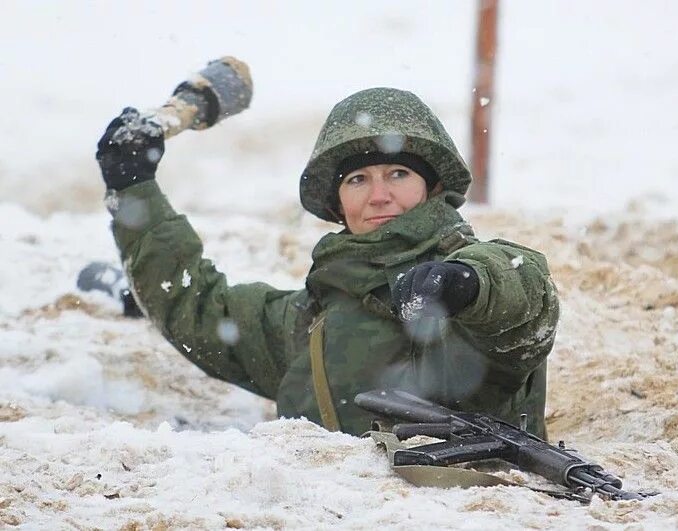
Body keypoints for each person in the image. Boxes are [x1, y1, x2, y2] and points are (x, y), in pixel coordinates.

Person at [95, 87, 559, 438]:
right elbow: (198, 308)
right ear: (337, 202)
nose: (379, 195)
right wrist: (135, 189)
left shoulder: (469, 280)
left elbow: (522, 289)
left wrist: (465, 285)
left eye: (398, 173)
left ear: (432, 188)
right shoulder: (312, 320)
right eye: (358, 179)